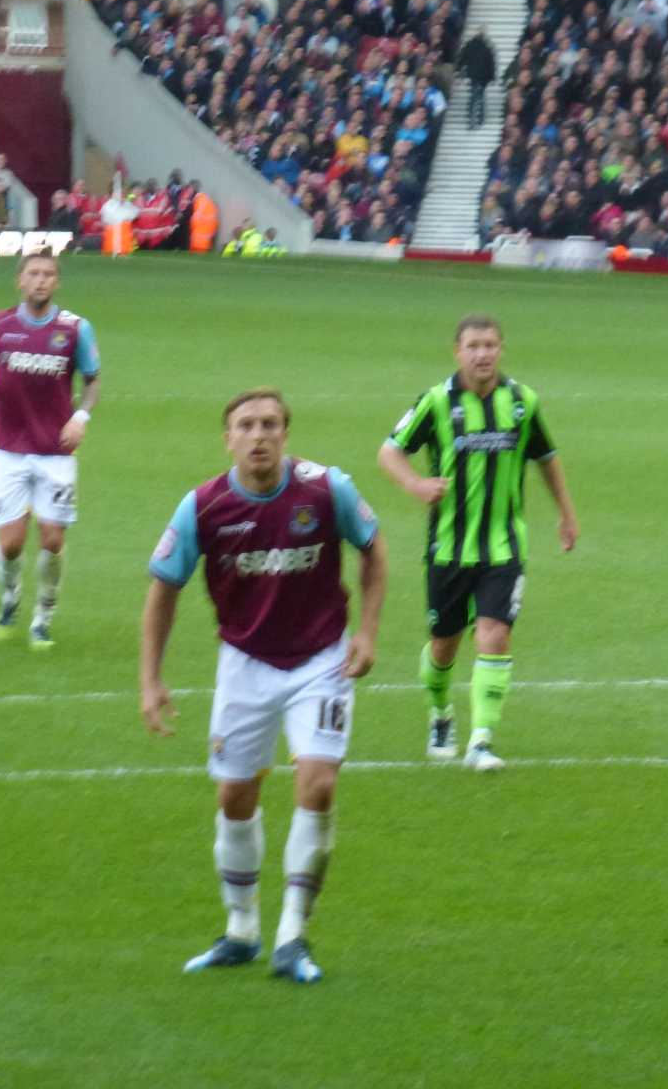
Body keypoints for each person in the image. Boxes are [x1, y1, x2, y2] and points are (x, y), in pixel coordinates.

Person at [141, 388, 387, 984]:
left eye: (270, 425)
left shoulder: (326, 490)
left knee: (318, 781)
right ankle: (241, 929)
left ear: (286, 434)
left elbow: (373, 551)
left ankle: (293, 936)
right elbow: (163, 590)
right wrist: (150, 678)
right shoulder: (203, 506)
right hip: (245, 663)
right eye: (247, 425)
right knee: (233, 798)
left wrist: (368, 634)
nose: (259, 435)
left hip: (320, 660)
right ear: (228, 438)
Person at [378, 315, 579, 769]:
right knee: (443, 645)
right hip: (449, 548)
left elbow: (547, 457)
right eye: (473, 345)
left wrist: (566, 514)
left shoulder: (523, 402)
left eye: (490, 345)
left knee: (495, 634)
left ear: (501, 349)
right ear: (458, 352)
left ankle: (481, 740)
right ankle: (440, 711)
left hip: (504, 547)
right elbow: (389, 450)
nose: (482, 354)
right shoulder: (435, 401)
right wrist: (415, 485)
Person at [0, 252, 101, 649]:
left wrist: (80, 417)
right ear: (19, 281)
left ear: (57, 282)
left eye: (48, 274)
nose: (41, 280)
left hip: (56, 450)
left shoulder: (76, 329)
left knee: (52, 539)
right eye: (33, 274)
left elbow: (92, 382)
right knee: (10, 543)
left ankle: (44, 613)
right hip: (7, 447)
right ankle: (10, 598)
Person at [459, 28, 496, 130]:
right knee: (481, 97)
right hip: (483, 77)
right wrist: (492, 77)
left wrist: (459, 70)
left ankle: (472, 120)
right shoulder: (487, 47)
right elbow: (492, 64)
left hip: (473, 76)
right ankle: (481, 118)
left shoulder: (470, 45)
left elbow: (462, 58)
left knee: (473, 98)